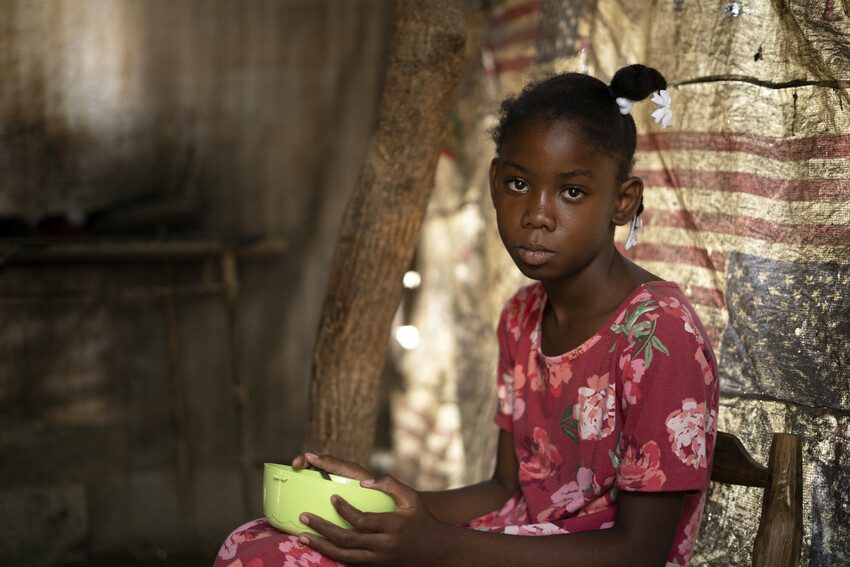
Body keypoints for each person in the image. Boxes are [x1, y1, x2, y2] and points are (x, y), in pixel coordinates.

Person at [215, 64, 719, 567]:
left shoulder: (660, 334)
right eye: (520, 184)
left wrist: (435, 546)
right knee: (258, 543)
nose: (537, 214)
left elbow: (640, 553)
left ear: (622, 202)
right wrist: (375, 505)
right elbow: (505, 487)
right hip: (514, 541)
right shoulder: (522, 316)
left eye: (571, 192)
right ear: (496, 181)